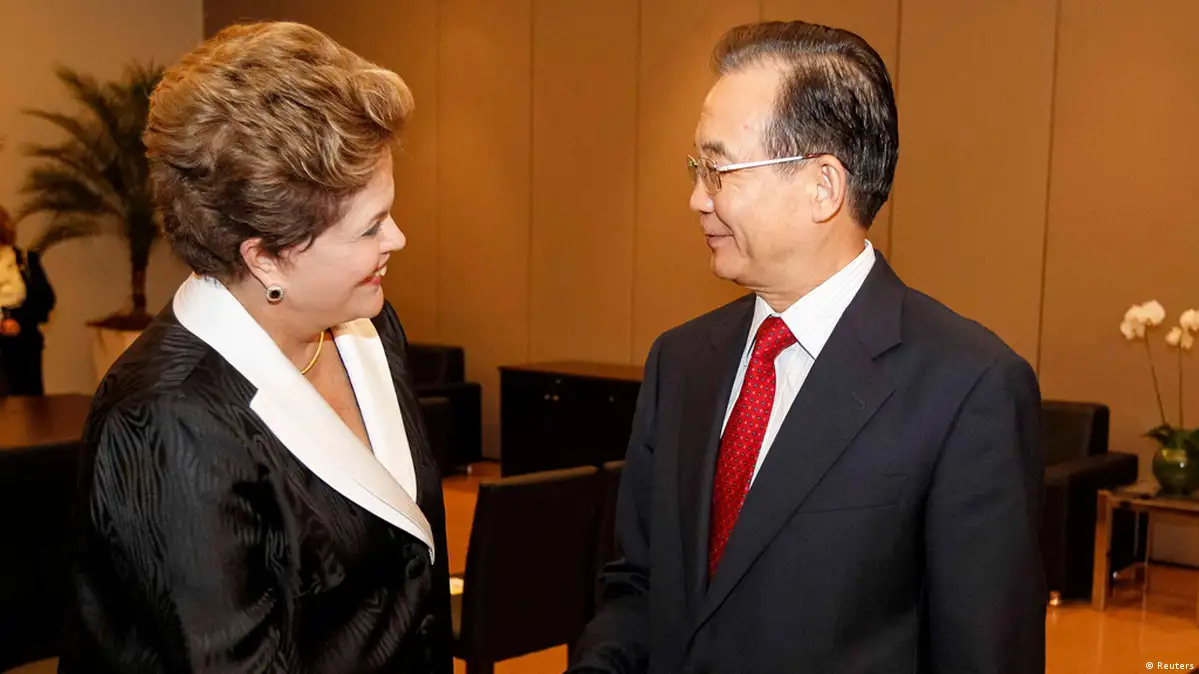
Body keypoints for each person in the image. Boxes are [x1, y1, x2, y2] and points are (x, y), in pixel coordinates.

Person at [568, 20, 1045, 674]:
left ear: (823, 187)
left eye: (719, 169)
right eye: (697, 168)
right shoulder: (681, 361)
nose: (696, 198)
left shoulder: (966, 389)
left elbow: (984, 652)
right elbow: (641, 587)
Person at [59, 21, 452, 673]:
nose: (397, 239)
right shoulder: (166, 418)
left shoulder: (370, 326)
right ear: (265, 256)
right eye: (371, 227)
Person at [0, 205, 55, 396]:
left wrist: (19, 322)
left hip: (22, 348)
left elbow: (45, 301)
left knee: (25, 406)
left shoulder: (25, 261)